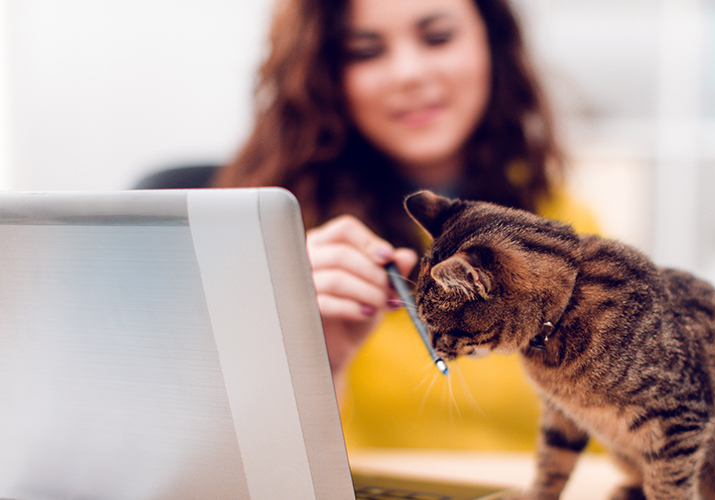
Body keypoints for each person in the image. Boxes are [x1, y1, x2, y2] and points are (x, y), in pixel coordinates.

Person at [214, 0, 599, 450]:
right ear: (323, 74)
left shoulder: (565, 223)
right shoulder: (266, 241)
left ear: (490, 44)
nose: (408, 74)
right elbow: (242, 466)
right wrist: (313, 362)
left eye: (438, 38)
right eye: (364, 51)